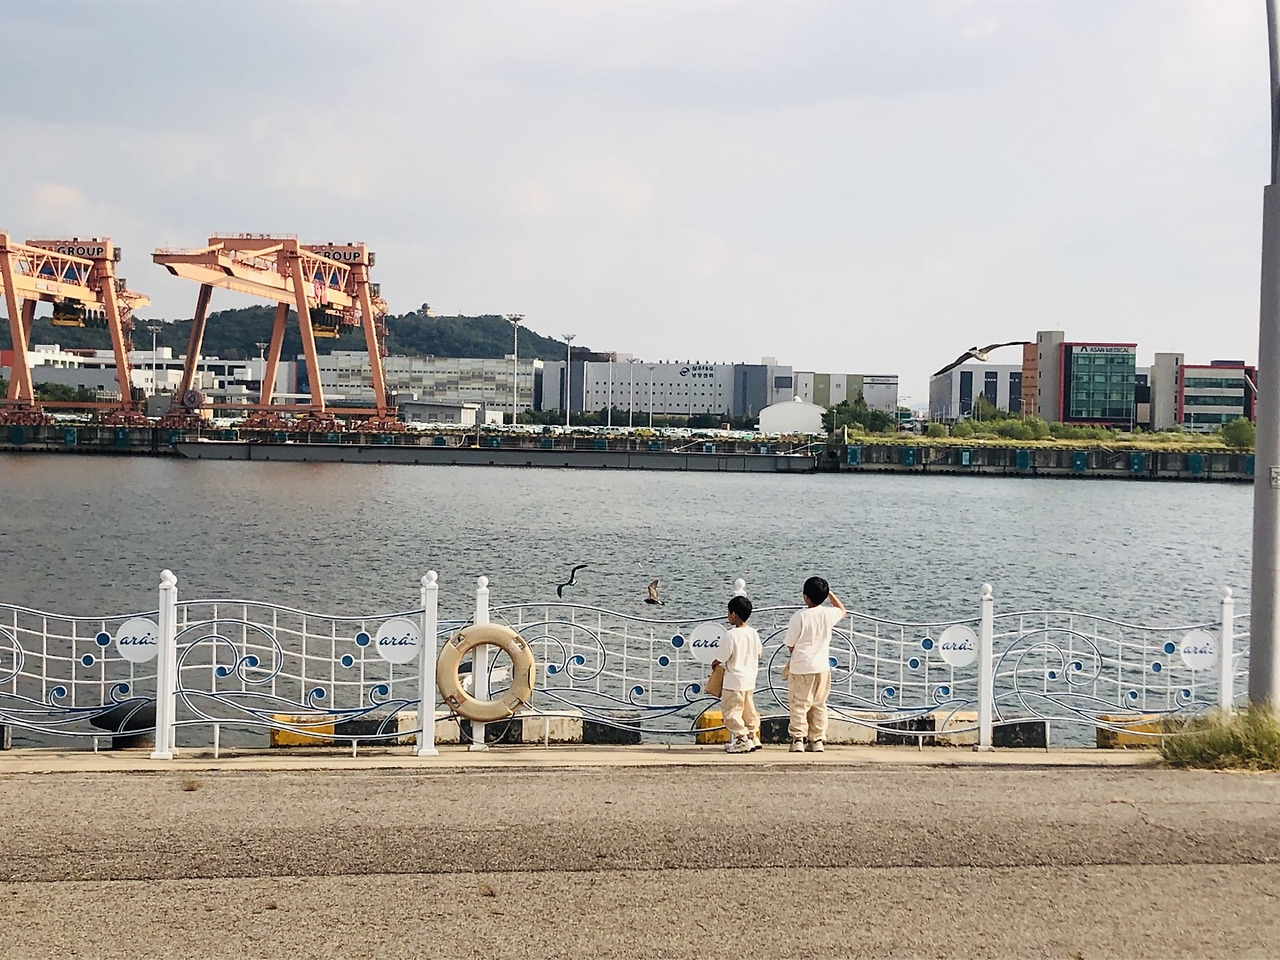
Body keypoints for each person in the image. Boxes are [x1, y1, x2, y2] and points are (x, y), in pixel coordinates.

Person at [783, 576, 846, 753]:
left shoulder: (799, 616)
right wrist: (829, 594)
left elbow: (790, 643)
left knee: (799, 705)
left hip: (801, 667)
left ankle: (798, 739)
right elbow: (842, 610)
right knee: (819, 705)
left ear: (805, 597)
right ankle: (817, 739)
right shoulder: (827, 614)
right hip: (822, 668)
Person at [712, 594, 763, 754]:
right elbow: (759, 653)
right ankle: (753, 735)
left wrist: (715, 663)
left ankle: (742, 738)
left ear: (734, 614)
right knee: (748, 710)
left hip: (734, 681)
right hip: (749, 679)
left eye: (729, 613)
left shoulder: (731, 635)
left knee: (731, 712)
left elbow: (722, 657)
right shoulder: (753, 633)